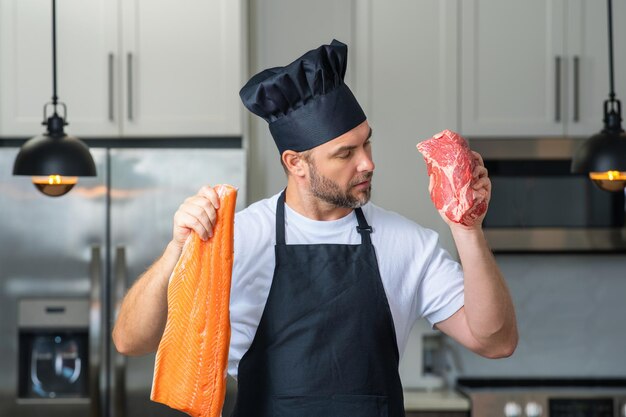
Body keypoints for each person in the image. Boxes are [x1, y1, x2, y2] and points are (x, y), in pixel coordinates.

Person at [112, 39, 517, 417]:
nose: (368, 163)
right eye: (345, 153)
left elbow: (496, 342)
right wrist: (175, 251)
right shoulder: (237, 238)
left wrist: (468, 230)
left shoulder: (406, 243)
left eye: (367, 144)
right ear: (295, 163)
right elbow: (131, 341)